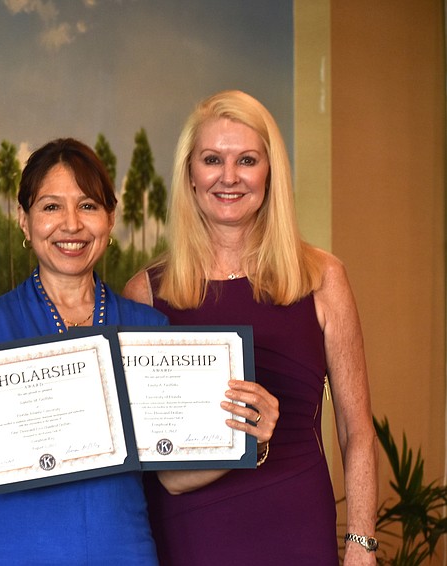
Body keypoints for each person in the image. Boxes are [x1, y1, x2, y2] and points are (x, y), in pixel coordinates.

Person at [0, 138, 275, 565]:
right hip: (14, 551)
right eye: (51, 207)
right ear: (24, 220)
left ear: (110, 218)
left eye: (88, 206)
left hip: (123, 550)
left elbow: (172, 475)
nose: (71, 224)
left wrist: (245, 438)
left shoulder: (148, 327)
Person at [124, 90, 378, 565]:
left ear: (270, 173)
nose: (229, 176)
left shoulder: (323, 278)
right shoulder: (144, 293)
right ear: (190, 177)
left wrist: (361, 545)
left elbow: (356, 429)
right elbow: (146, 457)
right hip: (187, 533)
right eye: (211, 159)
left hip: (295, 523)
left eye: (246, 159)